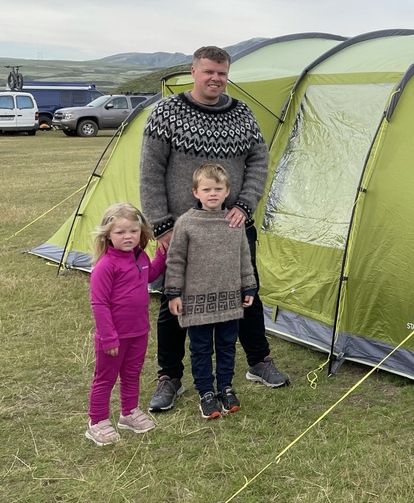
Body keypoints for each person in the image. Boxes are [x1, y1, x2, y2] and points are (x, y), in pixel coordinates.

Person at [140, 45, 289, 413]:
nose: (215, 79)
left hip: (234, 224)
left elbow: (258, 159)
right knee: (174, 300)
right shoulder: (167, 113)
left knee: (247, 290)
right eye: (208, 71)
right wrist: (161, 226)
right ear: (193, 71)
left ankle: (258, 361)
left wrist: (245, 203)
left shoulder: (241, 114)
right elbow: (150, 172)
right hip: (182, 228)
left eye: (222, 73)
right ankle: (169, 377)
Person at [165, 164, 257, 418]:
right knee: (201, 348)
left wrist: (248, 286)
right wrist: (173, 293)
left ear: (227, 191)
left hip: (229, 299)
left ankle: (225, 387)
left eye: (218, 189)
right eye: (207, 189)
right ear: (196, 192)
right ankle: (206, 391)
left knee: (227, 346)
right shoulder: (186, 223)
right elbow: (175, 261)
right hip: (197, 302)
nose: (213, 194)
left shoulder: (235, 222)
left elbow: (243, 257)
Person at [86, 203, 167, 446]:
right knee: (105, 378)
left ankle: (128, 413)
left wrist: (162, 254)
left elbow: (150, 275)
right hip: (113, 337)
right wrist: (109, 337)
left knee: (132, 374)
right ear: (108, 235)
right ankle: (96, 422)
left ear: (141, 232)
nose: (127, 236)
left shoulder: (140, 256)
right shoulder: (105, 266)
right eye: (120, 232)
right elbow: (99, 304)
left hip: (139, 331)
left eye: (132, 231)